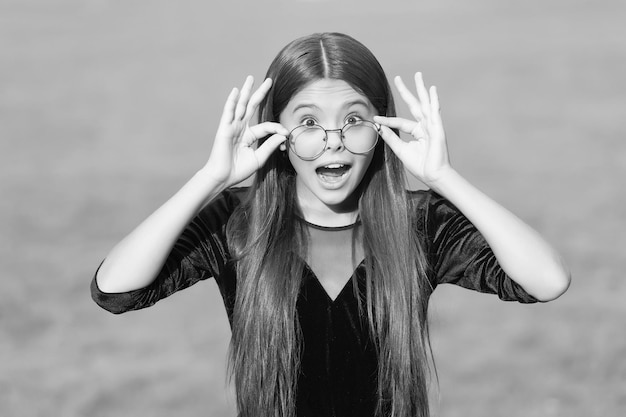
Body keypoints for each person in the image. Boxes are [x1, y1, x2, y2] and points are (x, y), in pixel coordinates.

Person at [91, 32, 570, 417]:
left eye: (354, 119)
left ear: (382, 128)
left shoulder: (418, 223)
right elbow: (115, 289)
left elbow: (547, 281)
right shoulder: (240, 222)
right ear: (277, 133)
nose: (333, 142)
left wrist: (444, 178)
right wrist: (210, 179)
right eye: (308, 122)